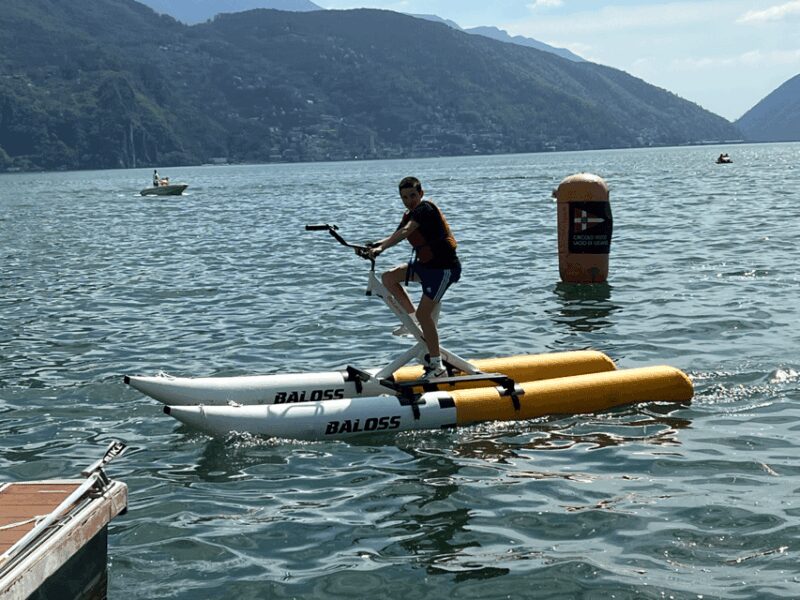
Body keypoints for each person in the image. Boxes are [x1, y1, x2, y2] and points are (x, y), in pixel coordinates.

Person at [368, 176, 461, 380]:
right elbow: (395, 235)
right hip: (426, 267)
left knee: (424, 314)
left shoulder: (424, 209)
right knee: (388, 278)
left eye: (412, 195)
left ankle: (437, 366)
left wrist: (381, 249)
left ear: (421, 194)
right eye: (404, 197)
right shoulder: (409, 215)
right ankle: (411, 321)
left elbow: (406, 231)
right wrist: (373, 246)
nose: (409, 201)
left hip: (443, 269)